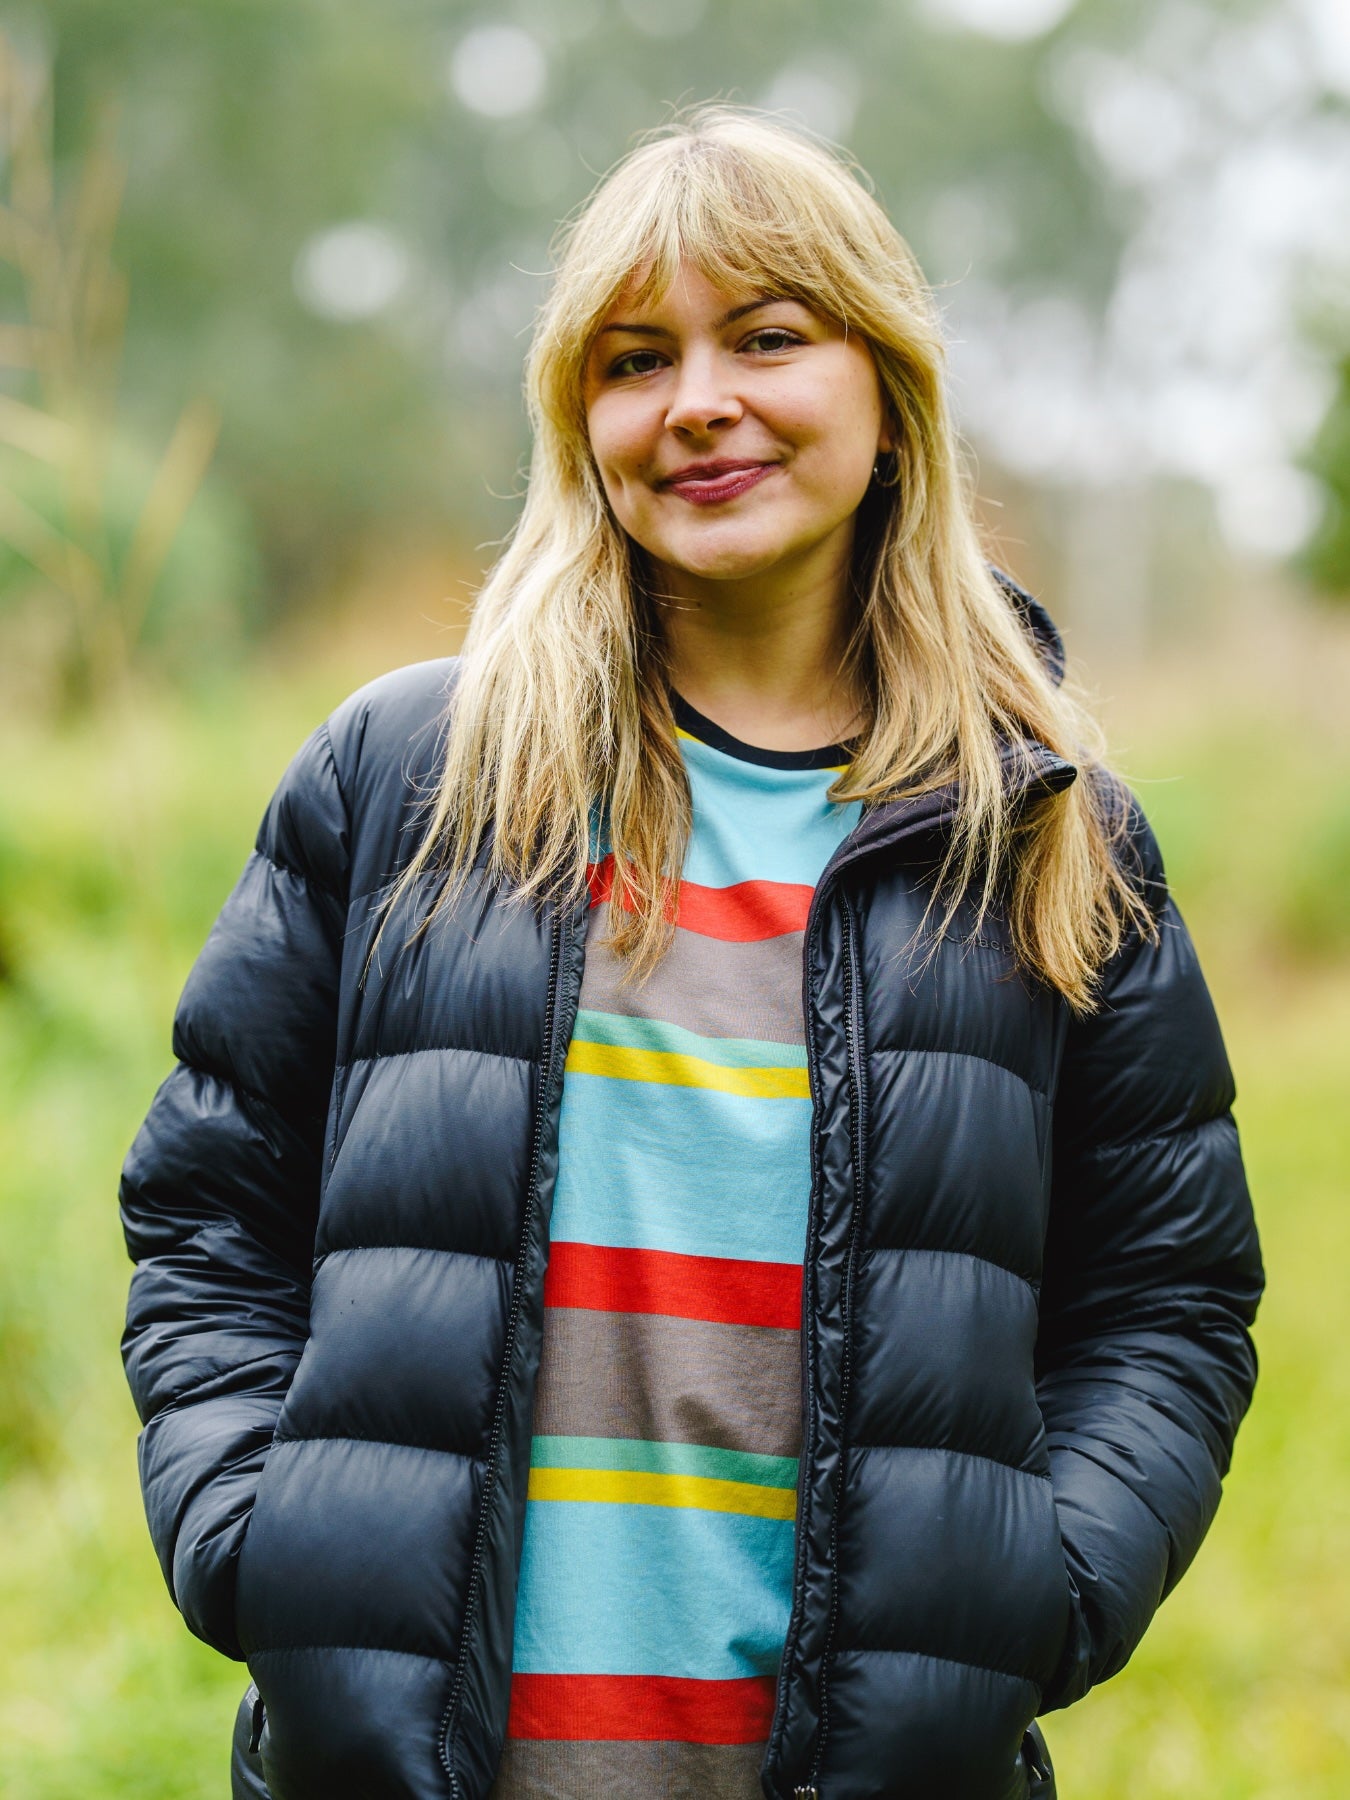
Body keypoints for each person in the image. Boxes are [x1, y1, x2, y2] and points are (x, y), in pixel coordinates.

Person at [119, 108, 1263, 1800]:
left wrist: (1039, 1587)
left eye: (770, 337)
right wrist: (259, 1537)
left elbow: (1165, 1296)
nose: (699, 401)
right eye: (634, 358)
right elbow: (209, 1209)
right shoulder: (407, 782)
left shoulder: (1040, 827)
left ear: (888, 394)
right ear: (580, 421)